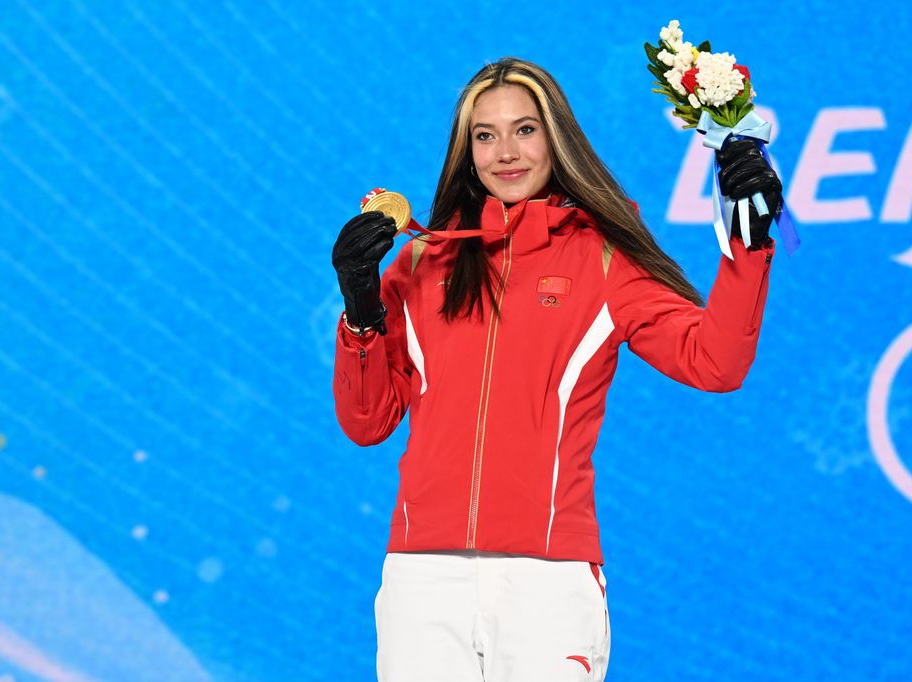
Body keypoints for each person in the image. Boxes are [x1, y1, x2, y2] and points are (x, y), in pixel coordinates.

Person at [331, 57, 781, 682]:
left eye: (526, 129)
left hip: (546, 582)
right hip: (423, 577)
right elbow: (367, 420)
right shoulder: (423, 262)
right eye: (484, 136)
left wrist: (747, 247)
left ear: (557, 137)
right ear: (466, 152)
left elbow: (715, 362)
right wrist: (360, 308)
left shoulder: (602, 259)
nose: (505, 152)